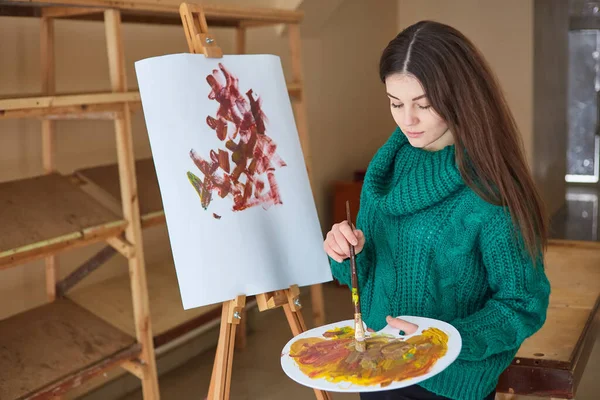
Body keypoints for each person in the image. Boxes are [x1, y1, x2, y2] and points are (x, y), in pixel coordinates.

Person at [323, 20, 551, 400]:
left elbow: (523, 303)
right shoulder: (387, 167)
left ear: (460, 97)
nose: (407, 119)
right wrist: (346, 252)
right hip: (379, 365)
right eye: (396, 103)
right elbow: (364, 279)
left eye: (424, 105)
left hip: (449, 383)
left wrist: (446, 338)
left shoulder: (492, 193)